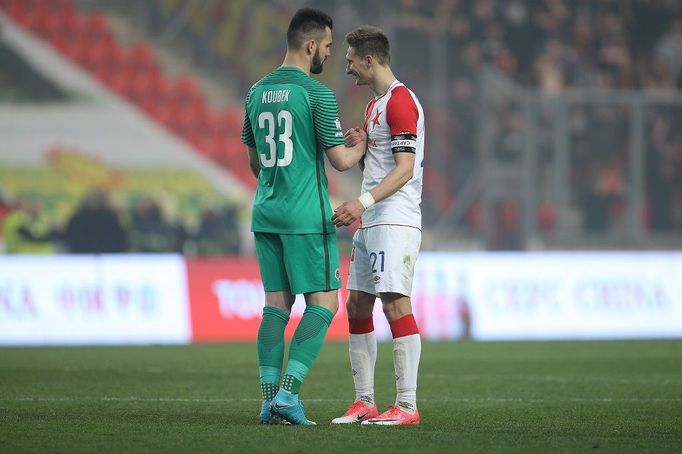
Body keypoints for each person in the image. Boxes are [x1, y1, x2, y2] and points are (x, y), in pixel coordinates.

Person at [240, 8, 367, 426]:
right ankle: (288, 395)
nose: (330, 54)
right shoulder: (316, 93)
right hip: (306, 217)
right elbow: (341, 161)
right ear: (311, 45)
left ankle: (266, 402)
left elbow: (255, 161)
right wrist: (361, 145)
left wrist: (278, 180)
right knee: (325, 303)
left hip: (266, 213)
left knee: (275, 307)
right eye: (329, 46)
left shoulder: (256, 91)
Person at [331, 25, 425, 426]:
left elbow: (404, 170)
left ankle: (406, 406)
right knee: (357, 304)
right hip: (372, 221)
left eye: (351, 59)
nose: (347, 66)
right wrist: (365, 145)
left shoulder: (401, 102)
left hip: (395, 219)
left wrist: (361, 201)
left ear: (369, 58)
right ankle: (365, 401)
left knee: (395, 303)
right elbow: (383, 164)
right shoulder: (374, 107)